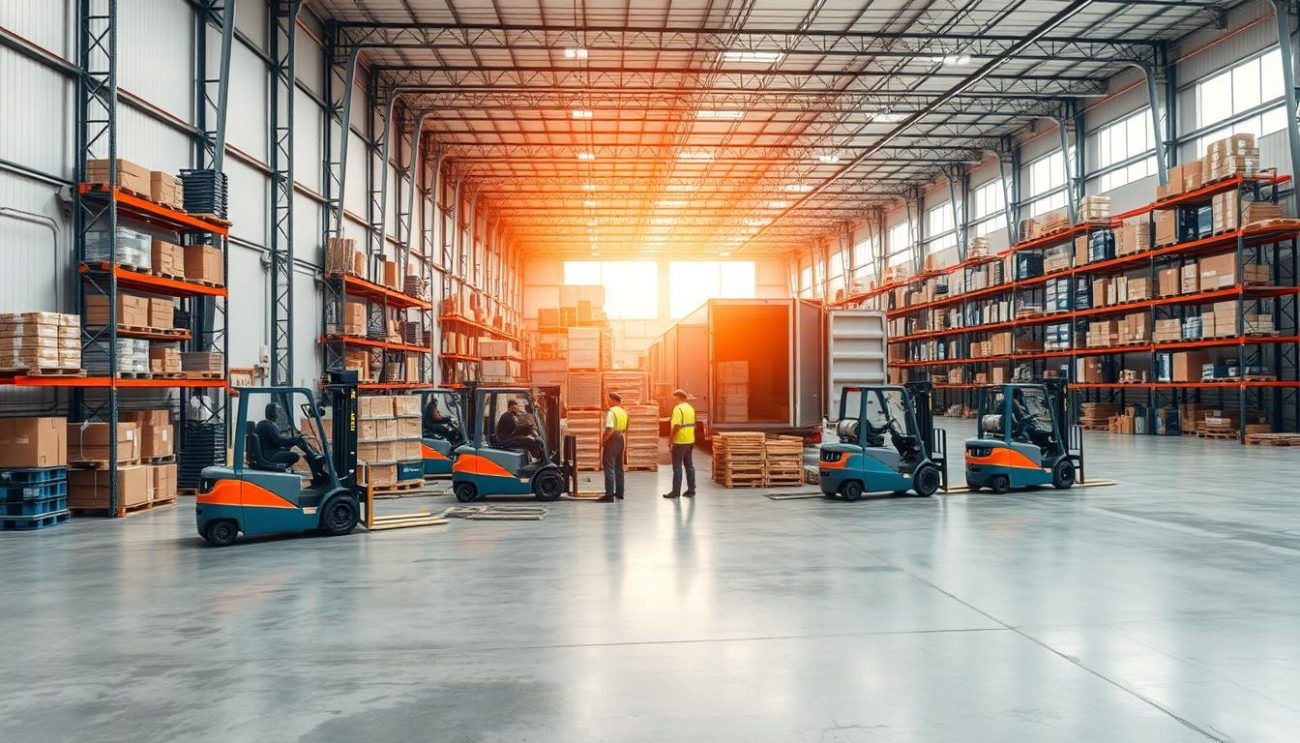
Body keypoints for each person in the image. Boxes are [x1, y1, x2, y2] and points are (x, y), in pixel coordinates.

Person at [255, 403, 329, 485]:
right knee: (294, 456)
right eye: (278, 411)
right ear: (272, 412)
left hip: (270, 451)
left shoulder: (266, 424)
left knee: (291, 451)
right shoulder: (267, 425)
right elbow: (279, 441)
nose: (280, 413)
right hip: (270, 455)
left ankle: (283, 469)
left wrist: (293, 441)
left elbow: (275, 441)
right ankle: (280, 469)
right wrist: (294, 441)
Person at [663, 389, 697, 499]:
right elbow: (692, 424)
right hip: (690, 440)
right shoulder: (690, 408)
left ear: (678, 397)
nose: (674, 399)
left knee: (677, 467)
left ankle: (675, 491)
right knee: (689, 466)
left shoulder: (678, 409)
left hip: (680, 441)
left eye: (674, 396)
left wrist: (671, 440)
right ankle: (691, 490)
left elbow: (677, 426)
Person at [598, 392, 628, 502]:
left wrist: (603, 441)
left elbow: (610, 429)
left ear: (613, 400)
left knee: (609, 467)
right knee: (619, 467)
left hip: (612, 440)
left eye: (609, 399)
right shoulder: (623, 412)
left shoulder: (611, 412)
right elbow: (625, 428)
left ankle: (609, 494)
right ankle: (620, 492)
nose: (607, 402)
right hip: (621, 439)